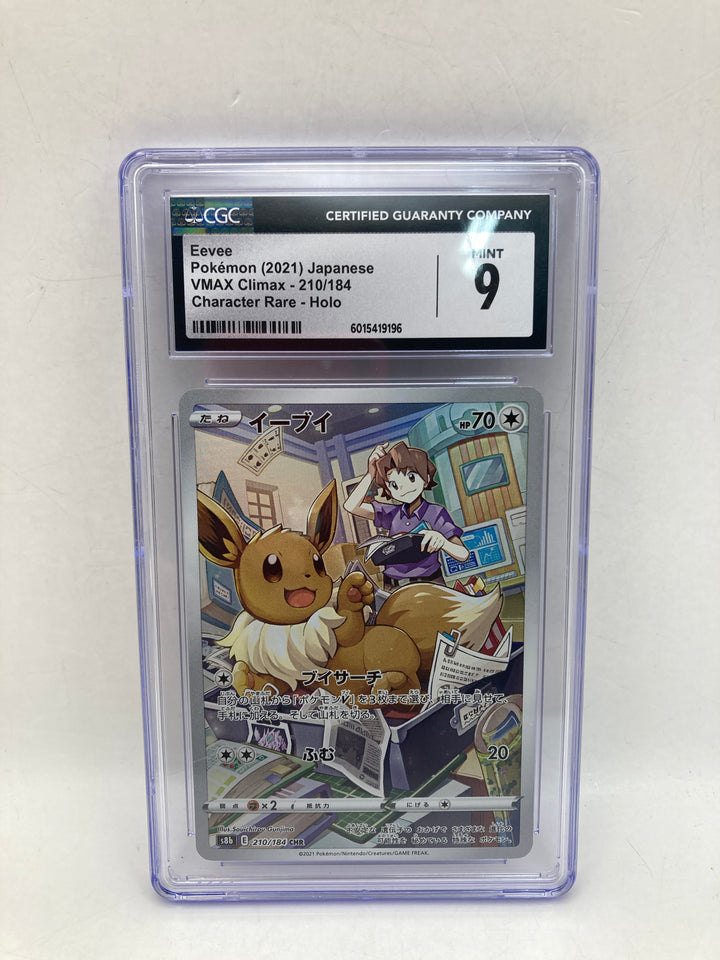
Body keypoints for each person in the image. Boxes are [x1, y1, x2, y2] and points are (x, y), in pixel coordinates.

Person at [344, 441, 469, 588]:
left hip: (429, 584)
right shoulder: (392, 513)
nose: (403, 488)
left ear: (426, 479)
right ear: (389, 490)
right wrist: (371, 473)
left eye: (411, 477)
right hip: (393, 586)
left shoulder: (435, 512)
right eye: (394, 485)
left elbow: (463, 554)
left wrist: (442, 541)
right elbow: (351, 506)